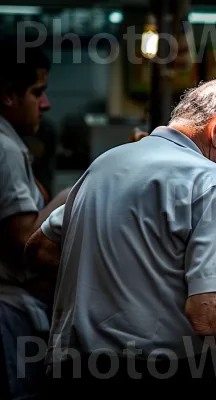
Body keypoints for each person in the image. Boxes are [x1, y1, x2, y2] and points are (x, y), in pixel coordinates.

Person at [24, 77, 216, 397]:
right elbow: (209, 314)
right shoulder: (208, 179)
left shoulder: (107, 162)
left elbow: (39, 249)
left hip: (74, 371)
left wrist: (114, 278)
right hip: (155, 377)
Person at [0, 42, 70, 399]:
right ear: (8, 95)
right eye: (37, 92)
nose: (46, 104)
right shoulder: (5, 149)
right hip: (9, 315)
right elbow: (27, 246)